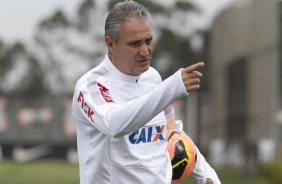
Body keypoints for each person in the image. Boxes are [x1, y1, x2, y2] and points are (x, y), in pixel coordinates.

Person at [72, 0, 221, 184]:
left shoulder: (153, 78)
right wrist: (172, 87)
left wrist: (205, 172)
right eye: (135, 44)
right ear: (110, 44)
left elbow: (172, 131)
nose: (145, 51)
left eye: (148, 41)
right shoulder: (90, 86)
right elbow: (114, 124)